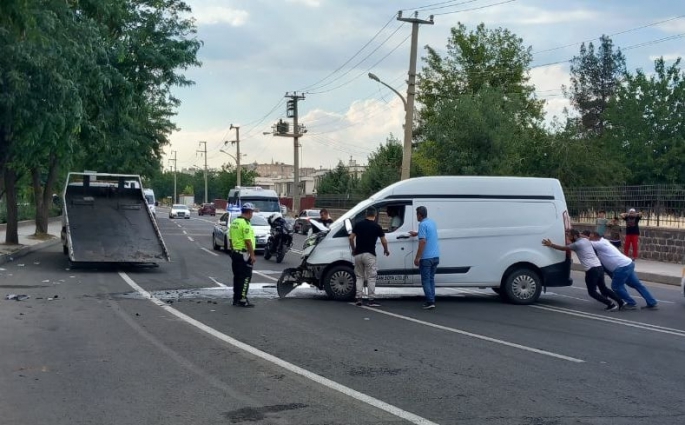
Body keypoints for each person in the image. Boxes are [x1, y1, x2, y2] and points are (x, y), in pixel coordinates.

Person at [542, 229, 623, 311]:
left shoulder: (577, 244)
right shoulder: (585, 240)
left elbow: (563, 248)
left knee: (592, 292)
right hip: (599, 267)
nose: (568, 237)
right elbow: (579, 236)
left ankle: (610, 304)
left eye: (569, 235)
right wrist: (571, 231)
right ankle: (620, 302)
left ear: (575, 236)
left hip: (591, 270)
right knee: (603, 288)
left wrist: (551, 244)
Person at [588, 231, 658, 310]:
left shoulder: (599, 244)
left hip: (621, 267)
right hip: (627, 264)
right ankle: (651, 302)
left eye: (591, 237)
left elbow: (586, 243)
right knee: (637, 285)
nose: (590, 238)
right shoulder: (603, 241)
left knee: (616, 287)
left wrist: (579, 236)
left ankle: (631, 303)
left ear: (596, 237)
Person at [349, 207, 389, 307]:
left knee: (359, 276)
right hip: (370, 254)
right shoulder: (377, 226)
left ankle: (358, 298)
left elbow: (351, 238)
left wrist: (354, 249)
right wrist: (386, 250)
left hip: (358, 254)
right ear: (375, 215)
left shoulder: (358, 225)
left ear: (366, 214)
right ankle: (371, 300)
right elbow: (384, 240)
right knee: (371, 277)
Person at [409, 206, 440, 310]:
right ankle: (432, 299)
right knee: (431, 279)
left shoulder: (422, 224)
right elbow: (429, 233)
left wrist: (417, 258)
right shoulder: (432, 222)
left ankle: (430, 301)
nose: (416, 216)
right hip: (435, 256)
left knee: (425, 280)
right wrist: (416, 233)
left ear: (420, 215)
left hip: (426, 258)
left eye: (417, 214)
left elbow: (422, 241)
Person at [229, 203, 257, 308]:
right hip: (244, 254)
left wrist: (232, 250)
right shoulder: (245, 224)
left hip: (235, 253)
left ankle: (236, 298)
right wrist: (252, 255)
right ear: (249, 212)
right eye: (252, 212)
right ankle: (243, 299)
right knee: (246, 277)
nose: (252, 214)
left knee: (237, 277)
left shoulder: (234, 222)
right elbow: (248, 241)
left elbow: (230, 238)